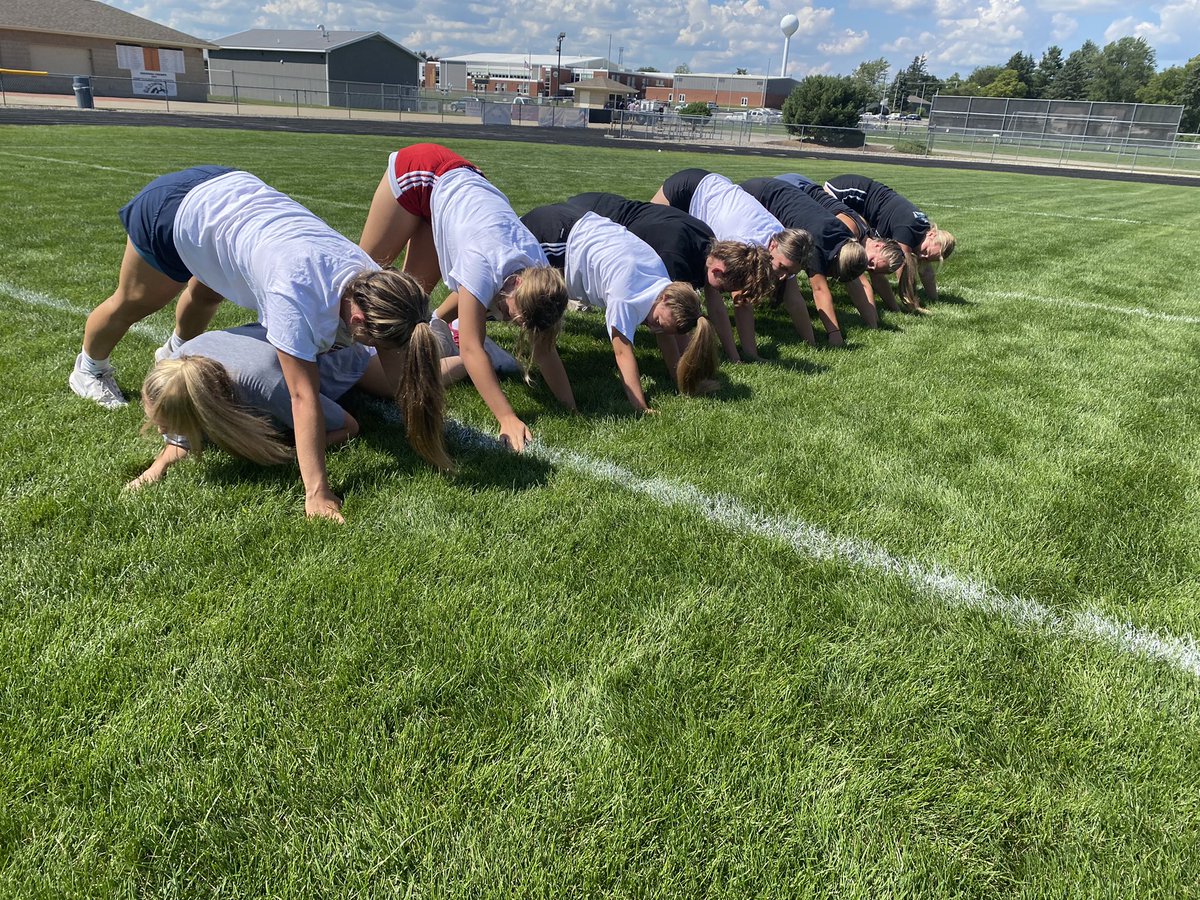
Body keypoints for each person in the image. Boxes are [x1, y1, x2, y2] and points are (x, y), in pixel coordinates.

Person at [69, 166, 446, 520]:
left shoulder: (375, 283)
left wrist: (420, 424)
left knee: (207, 295)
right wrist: (317, 492)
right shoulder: (295, 297)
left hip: (228, 197)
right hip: (174, 211)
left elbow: (391, 356)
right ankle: (90, 368)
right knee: (133, 301)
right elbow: (302, 396)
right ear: (359, 320)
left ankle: (176, 352)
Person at [358, 143, 573, 450]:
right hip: (421, 173)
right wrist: (507, 417)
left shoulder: (538, 272)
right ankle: (328, 358)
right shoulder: (481, 262)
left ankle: (382, 356)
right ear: (515, 281)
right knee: (366, 282)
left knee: (409, 303)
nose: (507, 320)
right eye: (510, 313)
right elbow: (472, 348)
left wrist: (569, 406)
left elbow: (545, 349)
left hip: (457, 188)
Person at [126, 323, 390, 491]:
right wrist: (156, 469)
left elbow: (347, 426)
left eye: (167, 424)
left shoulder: (266, 386)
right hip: (290, 345)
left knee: (405, 383)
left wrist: (291, 451)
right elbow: (181, 439)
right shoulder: (178, 370)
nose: (161, 431)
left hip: (343, 355)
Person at [521, 203, 719, 412]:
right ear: (665, 298)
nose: (654, 328)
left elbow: (665, 336)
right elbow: (622, 353)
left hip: (578, 222)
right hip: (556, 237)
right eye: (657, 322)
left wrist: (678, 378)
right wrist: (641, 407)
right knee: (517, 295)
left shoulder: (662, 282)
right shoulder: (627, 295)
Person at [564, 191, 775, 363]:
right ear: (719, 270)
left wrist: (734, 356)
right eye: (725, 288)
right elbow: (667, 326)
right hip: (589, 217)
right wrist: (686, 367)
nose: (725, 293)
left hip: (600, 207)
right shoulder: (675, 260)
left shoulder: (709, 247)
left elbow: (716, 308)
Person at [651, 169, 814, 360]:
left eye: (791, 271)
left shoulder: (787, 246)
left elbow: (794, 299)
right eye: (783, 268)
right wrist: (746, 356)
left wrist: (812, 344)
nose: (783, 276)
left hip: (715, 189)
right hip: (686, 190)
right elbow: (741, 301)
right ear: (772, 246)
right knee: (659, 261)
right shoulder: (744, 245)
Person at [740, 176, 871, 342]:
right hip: (758, 195)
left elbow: (856, 281)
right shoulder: (814, 245)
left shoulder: (847, 241)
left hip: (777, 187)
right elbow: (820, 290)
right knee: (752, 257)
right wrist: (834, 333)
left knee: (783, 272)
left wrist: (872, 323)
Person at [773, 172, 906, 315]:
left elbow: (875, 280)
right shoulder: (850, 234)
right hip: (792, 188)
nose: (869, 267)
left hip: (800, 184)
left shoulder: (865, 234)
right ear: (878, 245)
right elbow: (858, 284)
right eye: (872, 263)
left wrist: (895, 309)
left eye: (872, 269)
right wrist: (873, 322)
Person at [823, 174, 956, 313]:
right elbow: (903, 272)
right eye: (925, 252)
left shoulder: (922, 229)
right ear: (932, 234)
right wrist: (911, 305)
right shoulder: (909, 228)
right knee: (857, 255)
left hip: (852, 193)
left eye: (927, 258)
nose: (921, 256)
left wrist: (934, 300)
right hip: (845, 192)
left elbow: (926, 271)